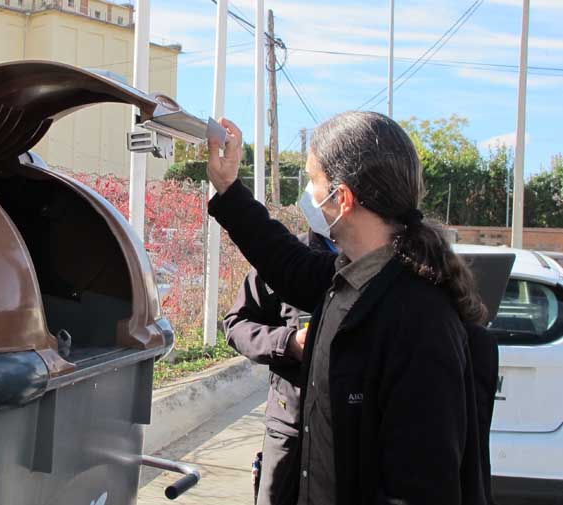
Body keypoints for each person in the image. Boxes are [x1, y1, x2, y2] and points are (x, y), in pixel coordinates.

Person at [205, 111, 491, 505]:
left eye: (312, 179)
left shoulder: (419, 322)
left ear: (342, 198)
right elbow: (285, 261)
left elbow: (421, 487)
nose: (307, 192)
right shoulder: (349, 279)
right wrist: (228, 188)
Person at [223, 232, 334, 505]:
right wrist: (287, 343)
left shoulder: (377, 260)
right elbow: (235, 325)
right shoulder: (284, 257)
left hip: (348, 434)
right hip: (289, 429)